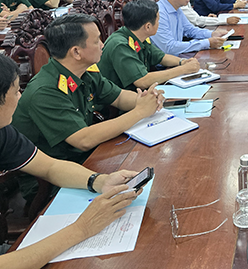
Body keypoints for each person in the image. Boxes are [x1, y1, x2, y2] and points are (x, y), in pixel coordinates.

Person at [0, 51, 140, 265]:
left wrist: (100, 181)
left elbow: (49, 167)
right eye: (15, 92)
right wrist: (82, 228)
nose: (20, 97)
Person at [11, 14, 163, 200]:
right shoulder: (45, 91)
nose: (103, 45)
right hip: (53, 178)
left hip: (86, 158)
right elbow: (83, 139)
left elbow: (119, 97)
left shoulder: (85, 72)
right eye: (97, 40)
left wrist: (147, 100)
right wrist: (140, 112)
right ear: (76, 52)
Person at [99, 0, 201, 91]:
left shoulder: (138, 35)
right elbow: (142, 81)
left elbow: (161, 57)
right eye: (158, 21)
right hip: (118, 103)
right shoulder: (120, 45)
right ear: (147, 26)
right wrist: (183, 69)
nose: (159, 24)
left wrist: (182, 62)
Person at [150, 0, 228, 55]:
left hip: (178, 56)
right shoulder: (159, 13)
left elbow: (191, 30)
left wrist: (212, 34)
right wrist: (206, 43)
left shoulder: (177, 9)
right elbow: (169, 47)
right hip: (166, 61)